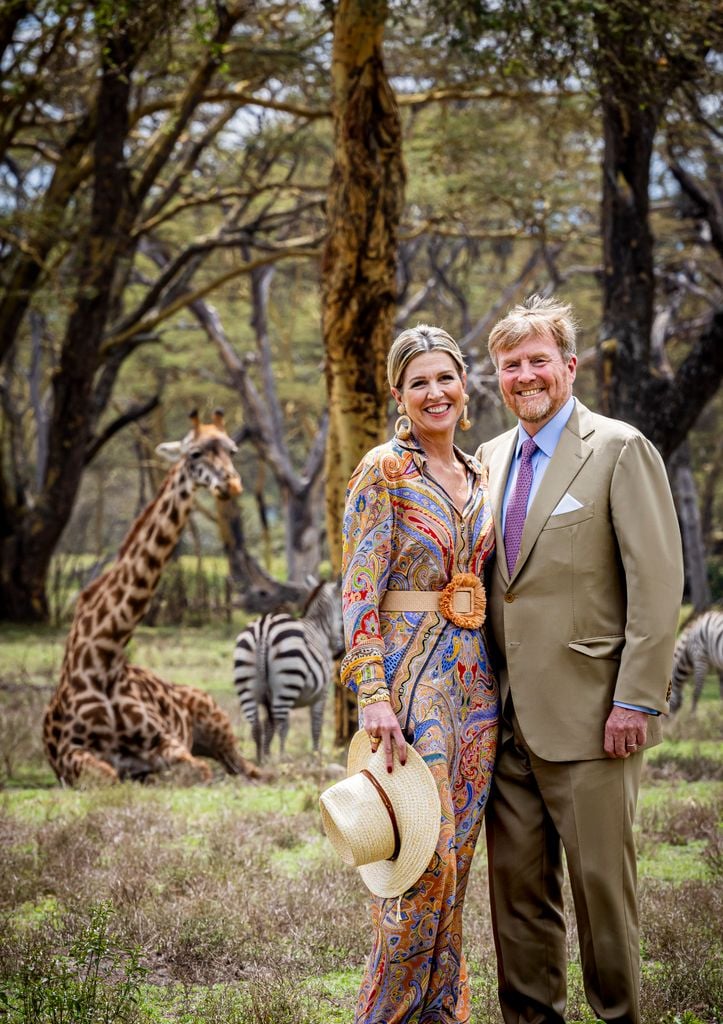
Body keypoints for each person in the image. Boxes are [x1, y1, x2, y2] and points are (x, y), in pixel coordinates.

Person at [475, 294, 684, 1024]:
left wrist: (636, 699)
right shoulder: (488, 459)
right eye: (509, 365)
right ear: (495, 377)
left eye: (537, 361)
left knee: (602, 895)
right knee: (517, 901)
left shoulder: (618, 448)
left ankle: (619, 1015)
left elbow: (657, 585)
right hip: (501, 726)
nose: (524, 376)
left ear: (568, 366)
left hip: (594, 719)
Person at [340, 324, 499, 1024]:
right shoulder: (384, 469)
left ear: (465, 387)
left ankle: (445, 1014)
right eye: (418, 382)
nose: (434, 392)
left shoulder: (482, 474)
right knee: (418, 865)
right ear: (398, 395)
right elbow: (356, 589)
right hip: (410, 687)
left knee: (458, 867)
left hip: (478, 690)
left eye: (445, 378)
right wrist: (372, 694)